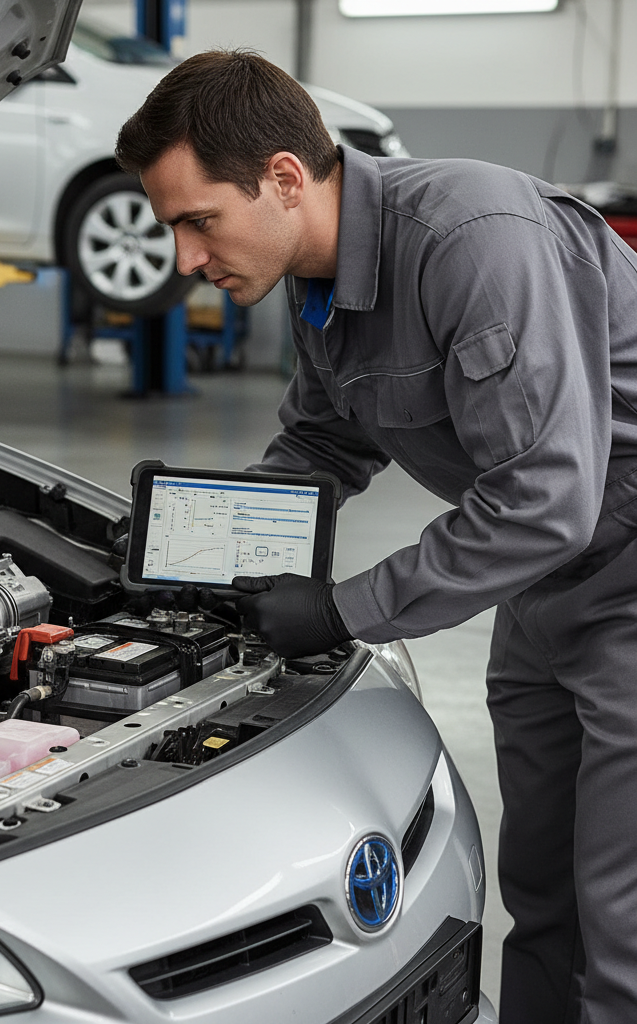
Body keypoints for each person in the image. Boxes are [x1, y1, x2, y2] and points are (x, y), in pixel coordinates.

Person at [115, 49, 637, 1024]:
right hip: (535, 591)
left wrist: (343, 609)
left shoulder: (474, 241)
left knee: (624, 928)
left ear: (281, 178)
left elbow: (543, 498)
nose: (183, 258)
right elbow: (322, 439)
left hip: (622, 584)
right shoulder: (317, 286)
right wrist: (201, 550)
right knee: (539, 897)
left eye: (197, 220)